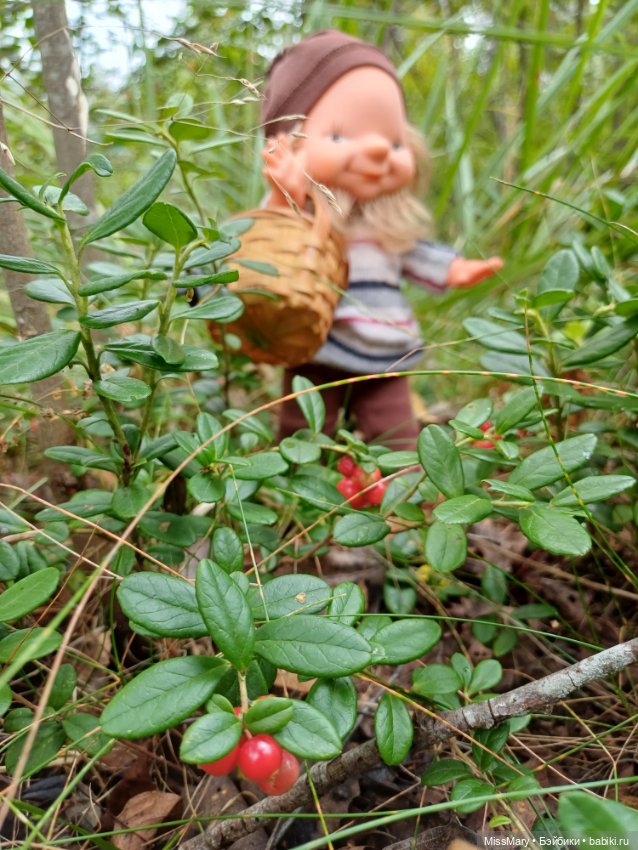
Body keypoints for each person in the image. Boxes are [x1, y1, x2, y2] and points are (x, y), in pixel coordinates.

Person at [260, 30, 503, 449]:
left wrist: (455, 268)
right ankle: (295, 499)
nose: (378, 151)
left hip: (388, 357)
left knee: (398, 437)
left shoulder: (386, 231)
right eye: (339, 136)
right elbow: (269, 244)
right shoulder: (305, 221)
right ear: (288, 142)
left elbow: (417, 254)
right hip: (316, 350)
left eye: (394, 141)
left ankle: (400, 503)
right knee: (302, 433)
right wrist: (284, 193)